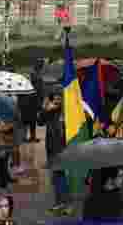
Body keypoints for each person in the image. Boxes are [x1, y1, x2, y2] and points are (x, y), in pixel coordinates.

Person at [40, 88, 73, 217]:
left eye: (59, 97)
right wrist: (45, 109)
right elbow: (40, 122)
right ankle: (59, 203)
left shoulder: (67, 111)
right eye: (54, 97)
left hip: (65, 149)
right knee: (56, 178)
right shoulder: (50, 110)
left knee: (65, 178)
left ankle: (68, 204)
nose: (57, 100)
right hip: (52, 148)